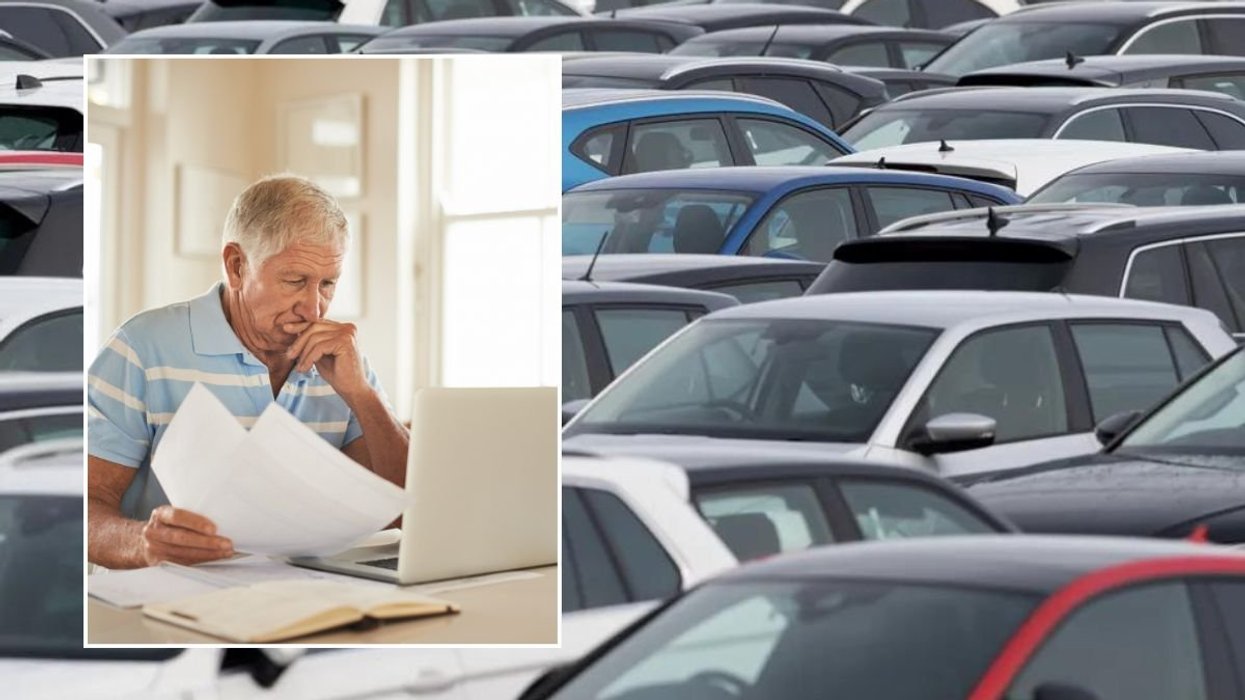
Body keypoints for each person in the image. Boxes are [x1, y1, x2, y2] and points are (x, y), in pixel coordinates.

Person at [87, 174, 409, 570]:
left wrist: (362, 395)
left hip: (307, 600)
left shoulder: (342, 359)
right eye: (295, 281)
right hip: (168, 601)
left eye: (327, 283)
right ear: (236, 266)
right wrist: (144, 544)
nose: (314, 308)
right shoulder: (141, 347)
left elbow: (404, 514)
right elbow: (81, 506)